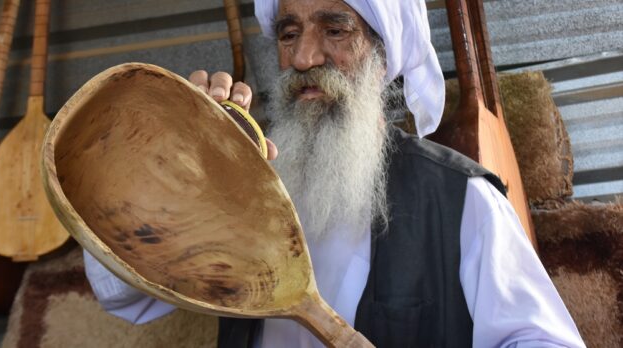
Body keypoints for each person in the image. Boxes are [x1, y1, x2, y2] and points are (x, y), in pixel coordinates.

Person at [84, 0, 585, 347]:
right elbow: (123, 294)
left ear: (382, 51)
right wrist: (168, 173)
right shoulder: (240, 181)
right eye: (289, 32)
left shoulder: (462, 201)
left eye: (335, 28)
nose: (303, 58)